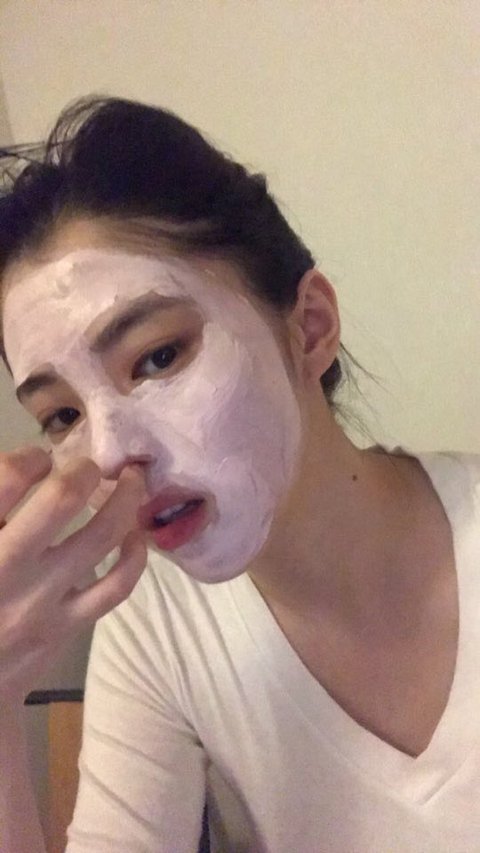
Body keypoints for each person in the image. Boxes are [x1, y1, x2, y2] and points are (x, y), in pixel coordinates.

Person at [0, 96, 478, 853]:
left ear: (310, 327)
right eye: (62, 416)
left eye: (157, 357)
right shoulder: (155, 622)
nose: (111, 454)